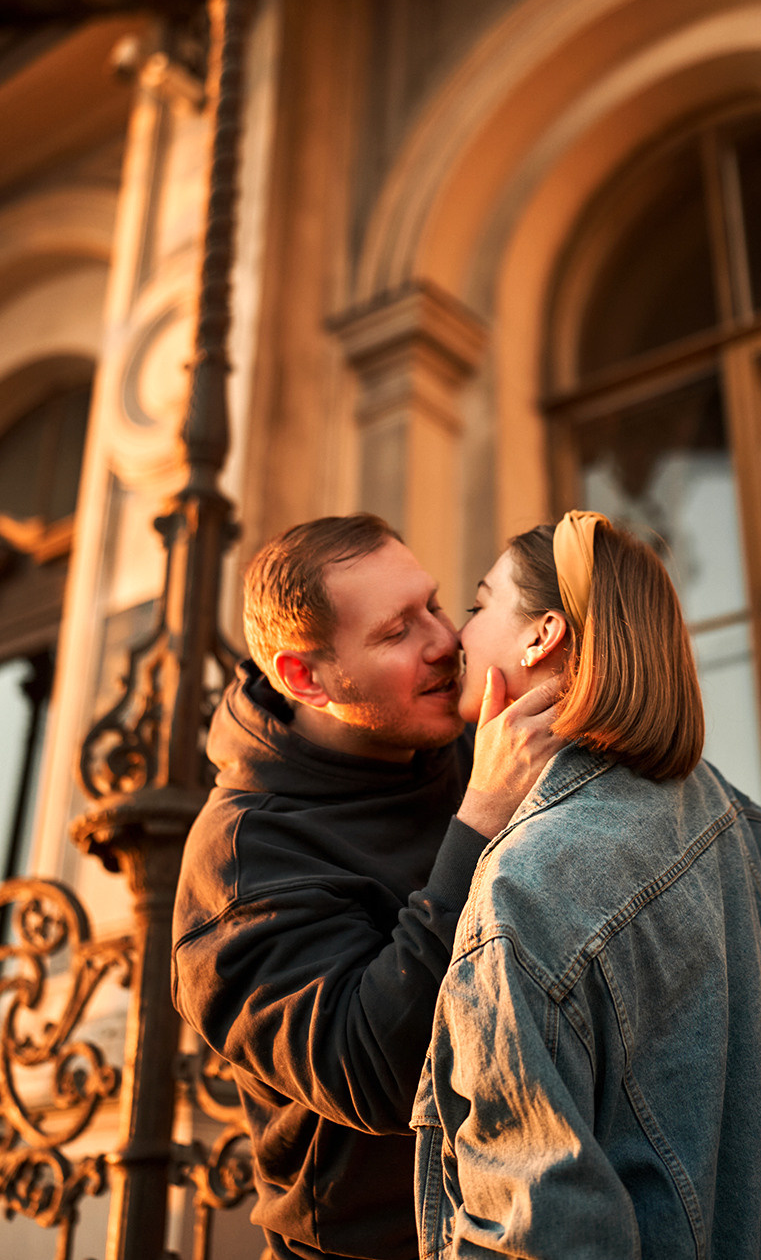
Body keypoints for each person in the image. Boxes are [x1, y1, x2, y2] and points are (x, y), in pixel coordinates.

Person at [413, 510, 761, 1259]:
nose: (457, 635)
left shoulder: (524, 886)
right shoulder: (725, 809)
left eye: (478, 604)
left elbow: (540, 1230)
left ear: (543, 635)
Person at [171, 514, 559, 1260]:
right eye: (396, 632)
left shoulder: (473, 741)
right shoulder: (240, 859)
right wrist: (481, 820)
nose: (446, 640)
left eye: (435, 605)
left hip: (545, 1217)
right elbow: (376, 1077)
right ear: (305, 678)